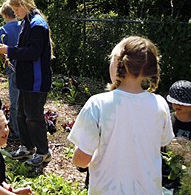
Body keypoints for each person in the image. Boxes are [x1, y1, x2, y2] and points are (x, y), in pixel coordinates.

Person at [68, 36, 174, 194]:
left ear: (119, 63)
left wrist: (78, 157)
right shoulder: (160, 104)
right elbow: (164, 142)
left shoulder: (97, 104)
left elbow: (81, 160)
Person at [0, 0, 53, 167]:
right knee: (21, 114)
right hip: (25, 78)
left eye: (16, 9)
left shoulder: (37, 25)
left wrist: (9, 50)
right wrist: (10, 54)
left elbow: (33, 52)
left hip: (36, 80)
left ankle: (44, 153)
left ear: (23, 5)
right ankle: (27, 147)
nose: (15, 13)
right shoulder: (26, 22)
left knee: (34, 117)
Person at [0, 0, 21, 140]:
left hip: (12, 64)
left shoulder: (4, 29)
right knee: (24, 97)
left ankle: (15, 131)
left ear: (5, 15)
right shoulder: (23, 25)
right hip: (25, 63)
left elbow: (2, 50)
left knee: (14, 100)